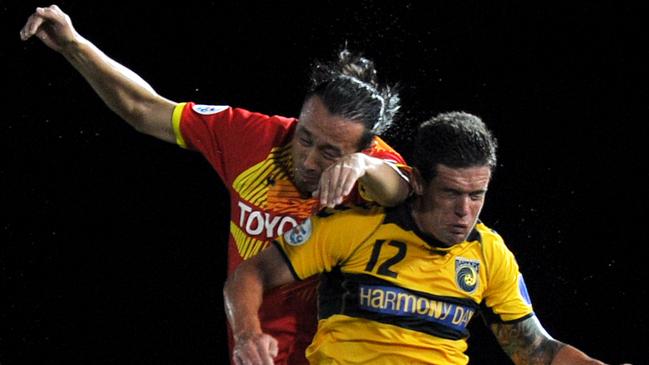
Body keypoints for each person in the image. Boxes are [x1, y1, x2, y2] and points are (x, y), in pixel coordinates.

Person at [20, 5, 412, 365]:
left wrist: (361, 166)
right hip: (257, 350)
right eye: (304, 137)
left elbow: (402, 190)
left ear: (364, 146)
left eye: (329, 152)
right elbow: (145, 109)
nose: (308, 160)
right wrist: (74, 46)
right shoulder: (252, 136)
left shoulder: (373, 166)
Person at [223, 111, 609, 364]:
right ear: (419, 182)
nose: (465, 211)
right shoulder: (356, 227)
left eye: (477, 196)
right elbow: (249, 275)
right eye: (451, 193)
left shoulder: (489, 254)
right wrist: (247, 334)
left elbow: (537, 349)